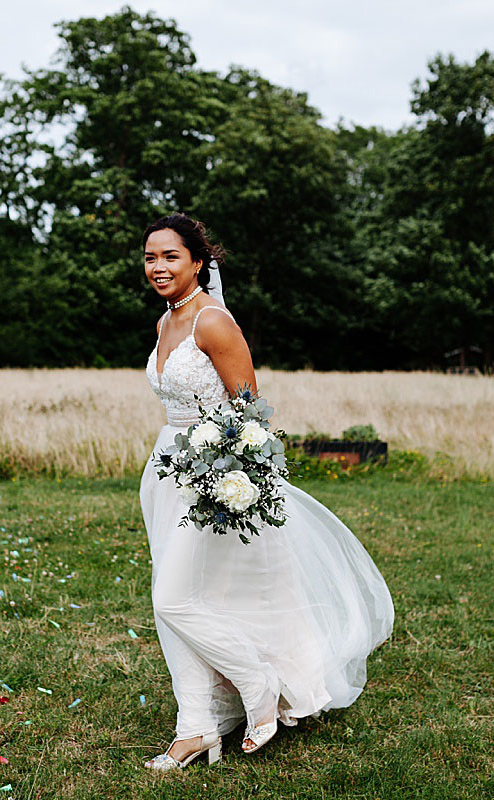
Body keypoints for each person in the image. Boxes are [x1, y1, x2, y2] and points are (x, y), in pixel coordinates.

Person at [139, 213, 395, 771]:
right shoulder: (166, 322)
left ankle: (259, 689)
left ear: (198, 261)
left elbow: (248, 410)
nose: (158, 268)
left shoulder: (213, 322)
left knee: (174, 598)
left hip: (210, 472)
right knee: (173, 603)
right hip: (165, 471)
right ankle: (195, 727)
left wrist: (225, 475)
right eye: (150, 258)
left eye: (170, 257)